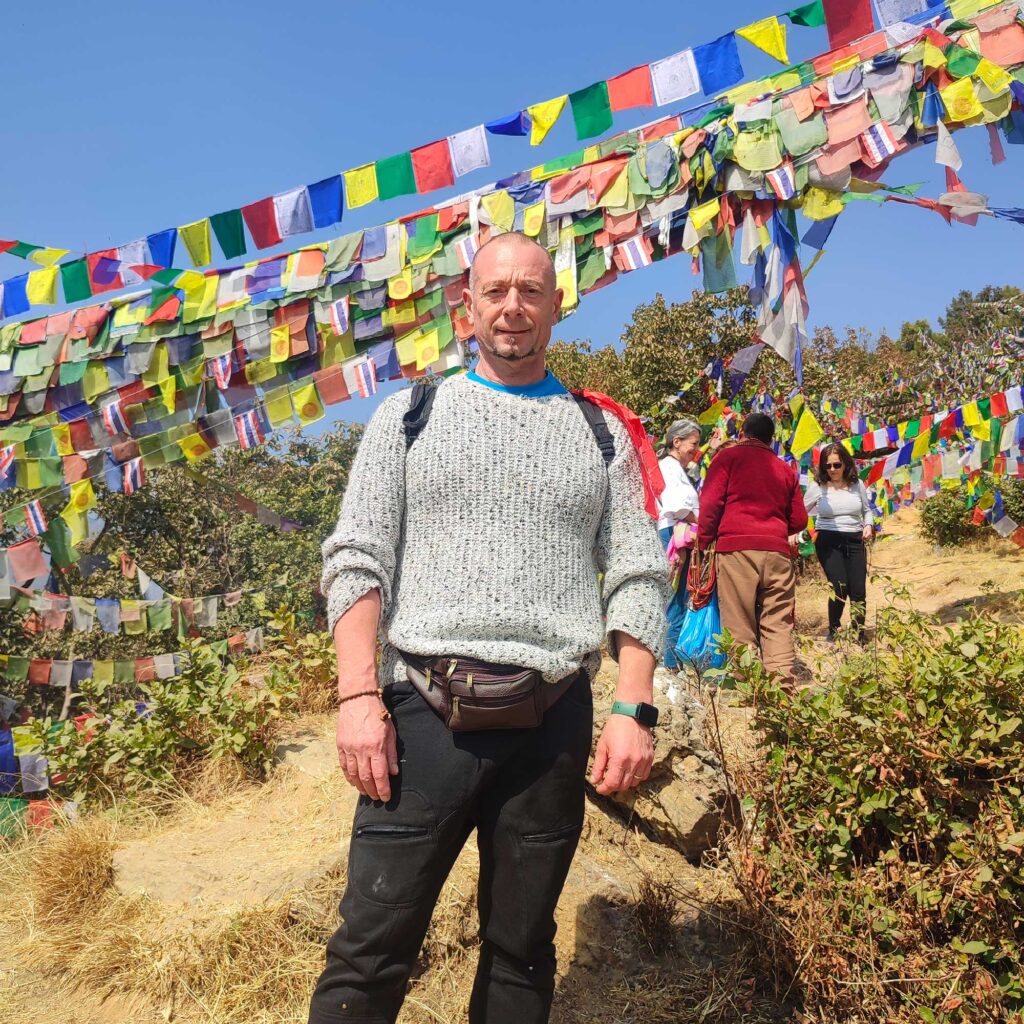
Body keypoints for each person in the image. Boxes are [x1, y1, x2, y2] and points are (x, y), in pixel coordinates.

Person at [309, 231, 669, 1024]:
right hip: (420, 722)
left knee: (522, 950)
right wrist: (357, 696)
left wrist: (631, 708)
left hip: (553, 723)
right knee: (369, 950)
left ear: (557, 307)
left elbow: (639, 572)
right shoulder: (408, 415)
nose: (513, 306)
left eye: (531, 290)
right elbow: (356, 560)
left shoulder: (602, 434)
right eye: (496, 290)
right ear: (466, 307)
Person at [696, 412, 807, 684]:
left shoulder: (726, 459)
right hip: (777, 552)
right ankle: (782, 691)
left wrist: (703, 541)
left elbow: (710, 506)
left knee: (739, 625)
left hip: (736, 551)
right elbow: (800, 520)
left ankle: (751, 689)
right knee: (778, 624)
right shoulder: (785, 470)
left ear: (742, 433)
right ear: (771, 440)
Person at [803, 442, 873, 641]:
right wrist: (796, 531)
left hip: (855, 538)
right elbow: (800, 510)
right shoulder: (818, 487)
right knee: (839, 586)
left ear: (845, 464)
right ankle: (833, 630)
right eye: (828, 466)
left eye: (836, 465)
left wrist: (868, 525)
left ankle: (859, 633)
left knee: (858, 589)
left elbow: (867, 510)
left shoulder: (857, 485)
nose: (832, 470)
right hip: (828, 539)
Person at [656, 419, 701, 670]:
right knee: (675, 599)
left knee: (677, 598)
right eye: (693, 444)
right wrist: (706, 524)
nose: (696, 450)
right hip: (675, 536)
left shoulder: (676, 469)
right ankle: (670, 663)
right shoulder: (669, 468)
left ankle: (671, 659)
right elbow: (679, 507)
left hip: (677, 534)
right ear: (677, 442)